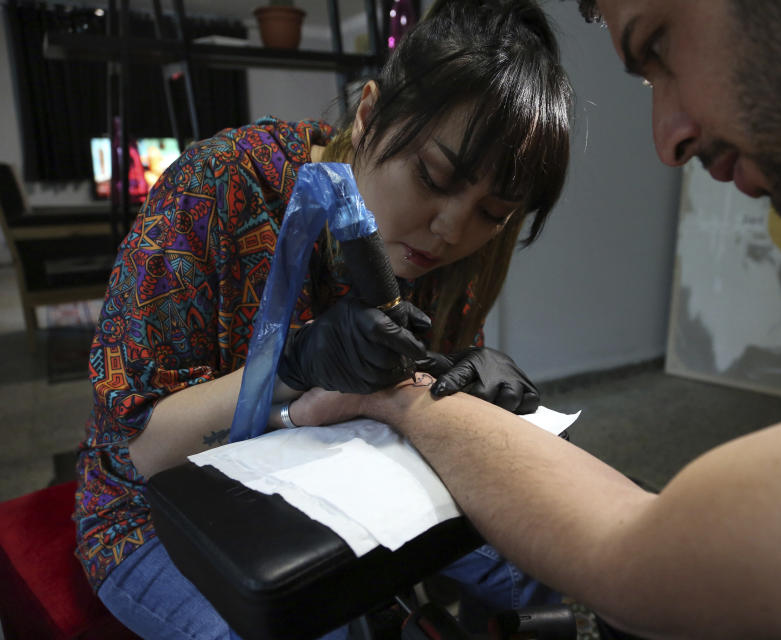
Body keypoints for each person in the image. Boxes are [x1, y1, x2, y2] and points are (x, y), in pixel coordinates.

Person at [297, 0, 781, 637]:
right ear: (370, 116)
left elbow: (656, 556)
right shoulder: (237, 185)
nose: (666, 142)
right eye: (435, 176)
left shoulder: (462, 259)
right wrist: (303, 368)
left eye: (659, 46)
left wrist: (408, 398)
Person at [72, 0, 572, 636]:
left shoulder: (451, 249)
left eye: (492, 213)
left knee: (539, 551)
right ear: (368, 115)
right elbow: (140, 450)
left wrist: (464, 388)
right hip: (152, 513)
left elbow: (403, 396)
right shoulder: (219, 187)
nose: (450, 230)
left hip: (337, 471)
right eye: (433, 176)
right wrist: (290, 364)